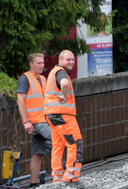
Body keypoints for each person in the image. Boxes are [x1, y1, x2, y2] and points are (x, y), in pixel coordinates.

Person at [44, 50, 83, 187]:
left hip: (51, 115)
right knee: (75, 144)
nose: (71, 62)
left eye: (72, 59)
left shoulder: (53, 72)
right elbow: (65, 84)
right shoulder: (61, 72)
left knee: (58, 146)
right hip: (63, 115)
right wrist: (64, 97)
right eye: (68, 60)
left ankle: (58, 179)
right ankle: (71, 178)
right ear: (60, 60)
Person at [16, 53, 52, 187]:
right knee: (59, 144)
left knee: (37, 154)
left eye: (42, 63)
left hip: (43, 120)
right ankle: (64, 177)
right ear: (31, 64)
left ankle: (33, 184)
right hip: (36, 122)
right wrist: (26, 122)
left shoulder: (42, 79)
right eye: (38, 63)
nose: (42, 66)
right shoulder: (25, 78)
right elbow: (20, 100)